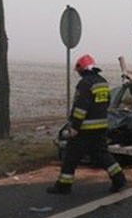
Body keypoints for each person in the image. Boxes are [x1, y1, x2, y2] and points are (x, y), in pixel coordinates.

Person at [47, 54, 127, 194]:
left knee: (70, 156)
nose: (78, 74)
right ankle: (119, 179)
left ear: (82, 69)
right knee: (103, 155)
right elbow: (107, 102)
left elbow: (80, 108)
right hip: (101, 127)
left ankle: (63, 186)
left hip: (84, 129)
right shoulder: (102, 82)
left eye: (78, 71)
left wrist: (75, 127)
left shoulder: (84, 84)